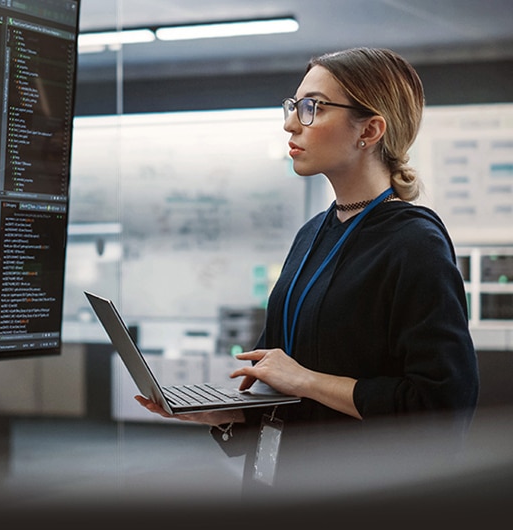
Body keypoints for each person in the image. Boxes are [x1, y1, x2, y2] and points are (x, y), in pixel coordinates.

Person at [135, 47, 479, 492]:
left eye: (312, 107)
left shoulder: (415, 244)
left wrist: (307, 380)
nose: (290, 122)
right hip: (280, 484)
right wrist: (226, 411)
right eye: (293, 106)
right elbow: (279, 380)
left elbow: (443, 408)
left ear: (370, 130)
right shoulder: (313, 233)